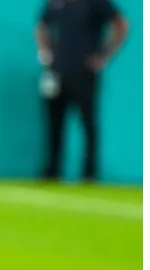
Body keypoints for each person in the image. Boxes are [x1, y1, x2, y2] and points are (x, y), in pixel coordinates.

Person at [35, 0, 128, 181]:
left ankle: (89, 174)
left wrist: (105, 55)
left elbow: (121, 23)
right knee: (54, 124)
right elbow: (41, 26)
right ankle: (51, 172)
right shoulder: (55, 3)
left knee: (88, 124)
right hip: (56, 73)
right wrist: (45, 53)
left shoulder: (96, 3)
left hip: (84, 73)